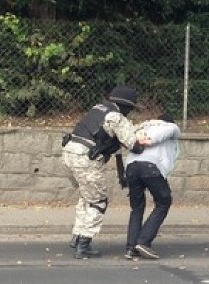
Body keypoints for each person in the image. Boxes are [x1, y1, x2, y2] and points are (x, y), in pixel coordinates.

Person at [62, 86, 148, 259]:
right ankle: (84, 245)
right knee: (98, 202)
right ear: (126, 106)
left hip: (69, 154)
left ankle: (77, 236)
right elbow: (135, 146)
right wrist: (144, 140)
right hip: (85, 159)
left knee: (87, 196)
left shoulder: (98, 108)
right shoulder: (116, 117)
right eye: (130, 109)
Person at [123, 112, 181, 260]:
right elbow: (168, 130)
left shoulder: (143, 127)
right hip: (151, 167)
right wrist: (150, 140)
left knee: (137, 207)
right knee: (163, 202)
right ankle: (143, 242)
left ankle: (131, 248)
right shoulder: (170, 127)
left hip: (131, 168)